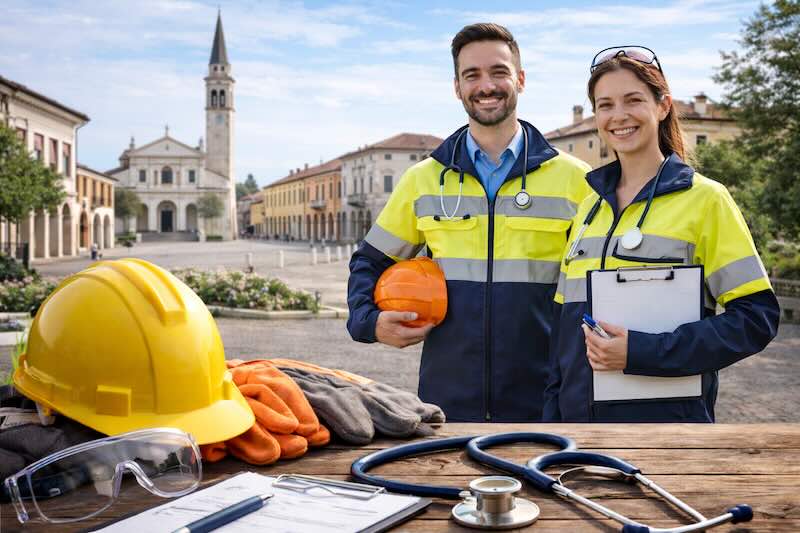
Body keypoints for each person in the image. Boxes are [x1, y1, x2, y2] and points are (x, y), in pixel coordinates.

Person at [347, 23, 592, 422]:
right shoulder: (422, 180)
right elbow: (370, 261)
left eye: (499, 72)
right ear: (457, 87)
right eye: (472, 75)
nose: (486, 86)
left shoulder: (576, 180)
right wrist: (369, 322)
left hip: (546, 397)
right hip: (448, 399)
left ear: (521, 80)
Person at [543, 46, 780, 423]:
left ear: (663, 105)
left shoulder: (706, 200)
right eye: (605, 105)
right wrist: (552, 416)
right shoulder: (588, 208)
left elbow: (756, 319)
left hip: (667, 430)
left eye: (633, 100)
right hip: (577, 431)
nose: (618, 116)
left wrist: (640, 352)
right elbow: (562, 332)